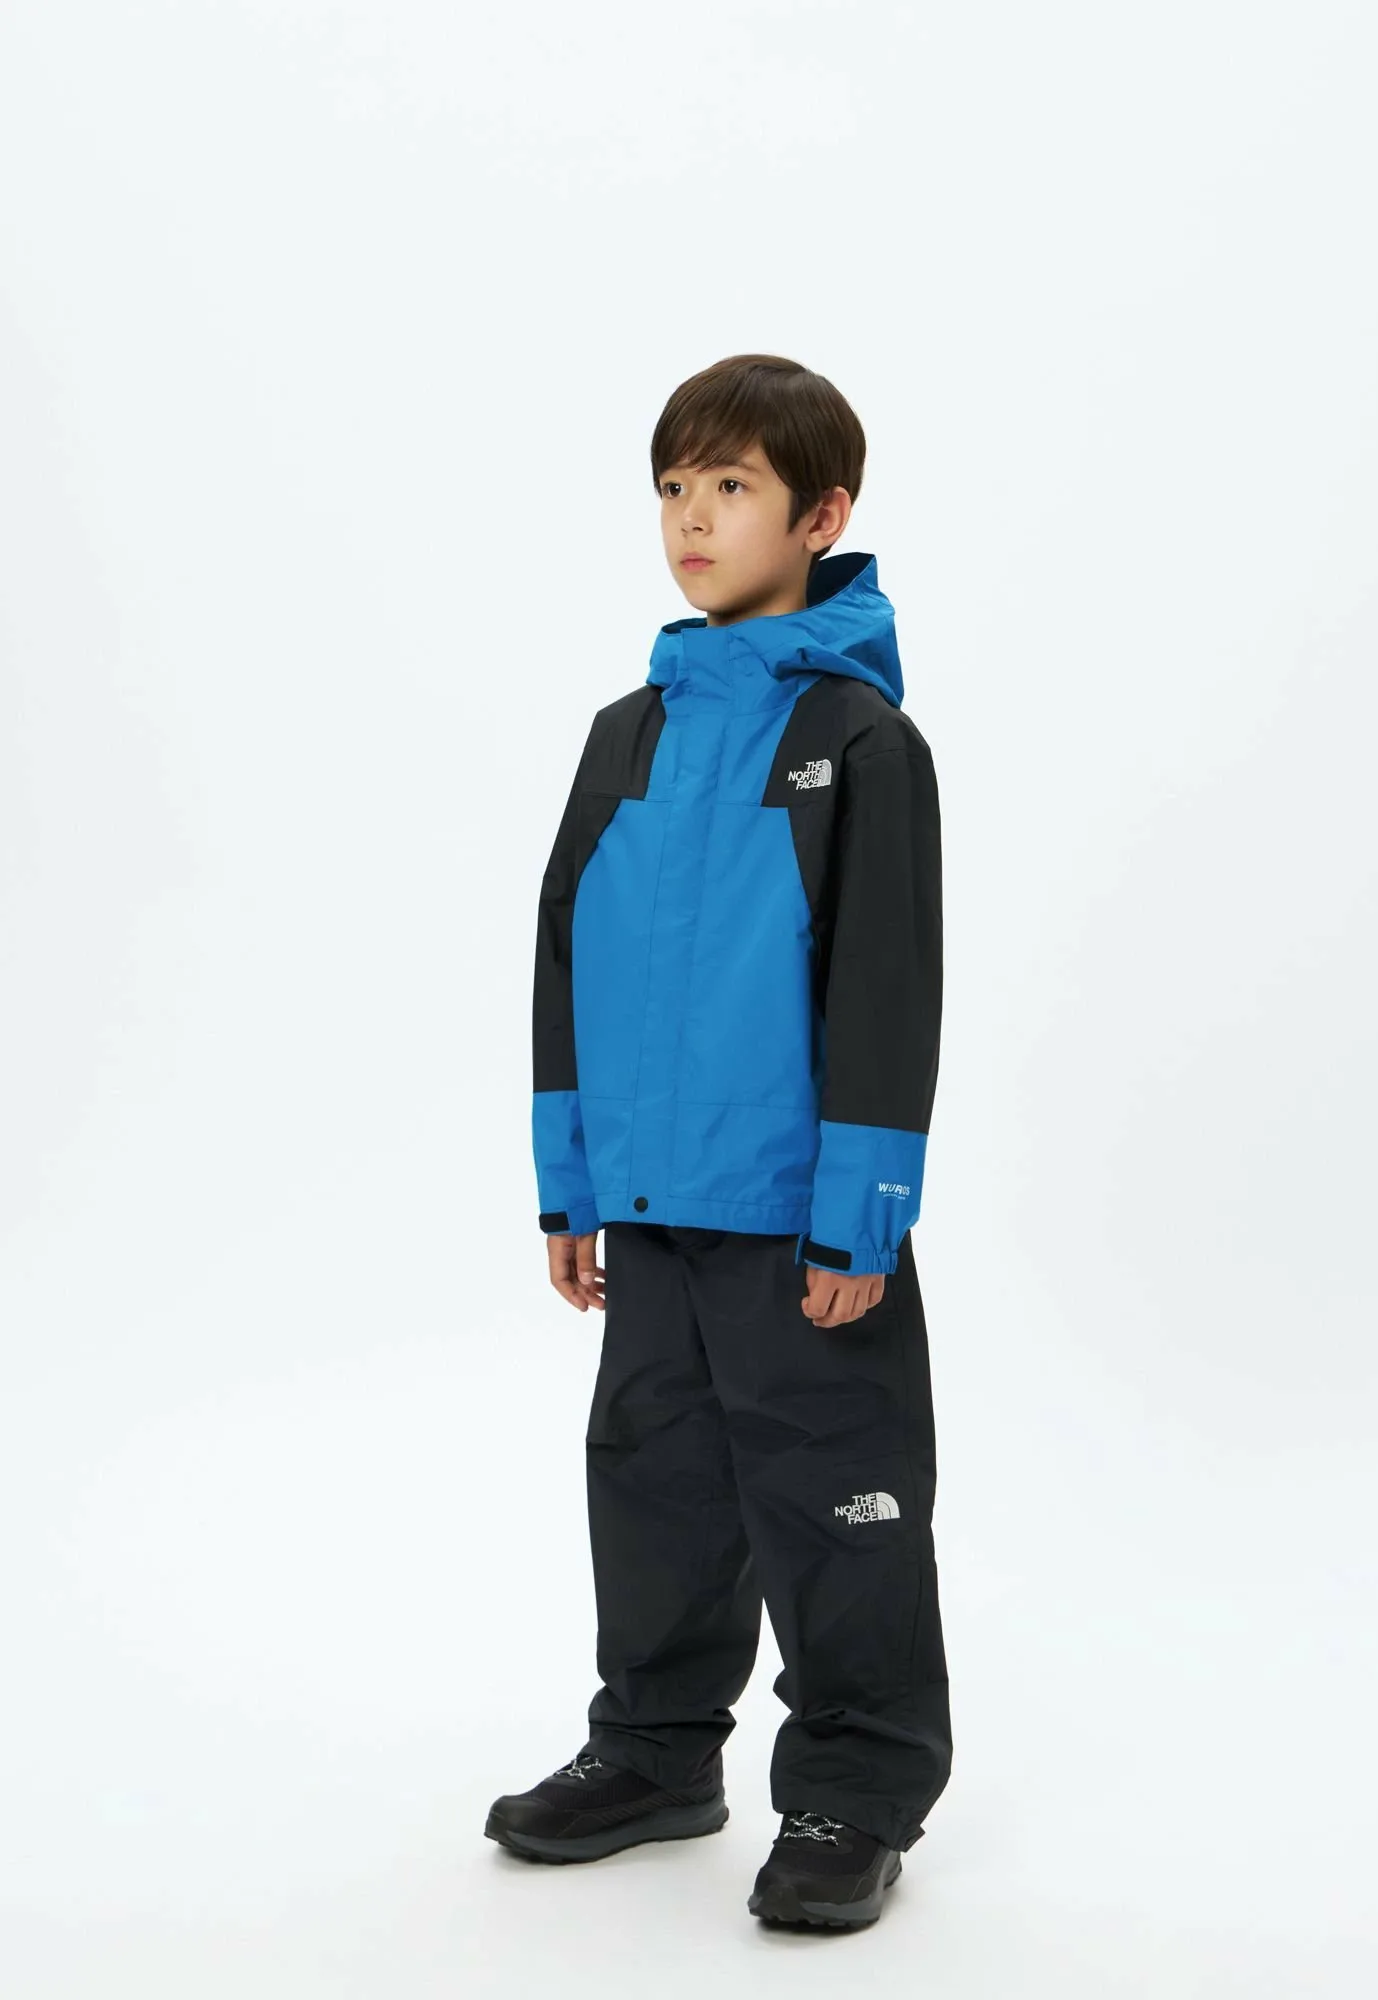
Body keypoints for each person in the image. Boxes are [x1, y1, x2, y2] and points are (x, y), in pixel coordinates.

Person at [484, 353, 951, 1929]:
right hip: (648, 1204)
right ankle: (655, 1752)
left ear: (821, 515)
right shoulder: (627, 734)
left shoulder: (857, 742)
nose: (691, 517)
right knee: (656, 1483)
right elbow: (565, 960)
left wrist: (858, 1219)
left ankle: (855, 1791)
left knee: (835, 1495)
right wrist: (569, 1187)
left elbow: (885, 989)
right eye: (674, 488)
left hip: (795, 1214)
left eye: (732, 487)